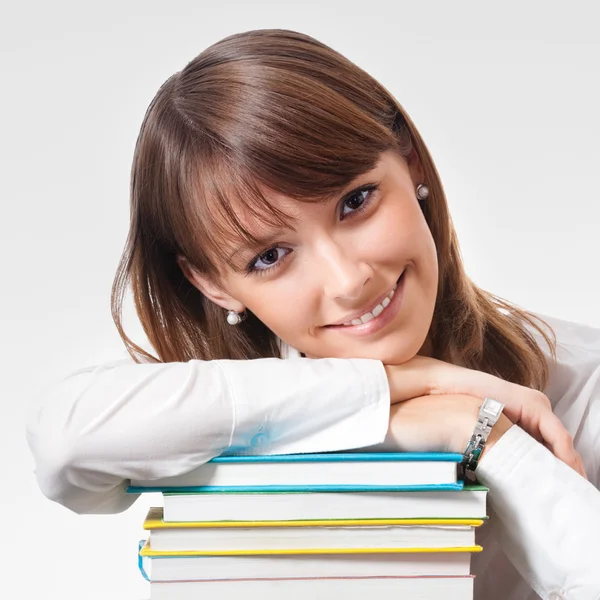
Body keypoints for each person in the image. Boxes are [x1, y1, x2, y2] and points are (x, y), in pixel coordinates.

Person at [26, 29, 600, 599]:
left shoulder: (585, 387)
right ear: (211, 284)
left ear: (412, 163)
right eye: (270, 256)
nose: (349, 280)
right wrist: (419, 398)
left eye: (355, 201)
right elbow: (66, 443)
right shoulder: (191, 416)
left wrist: (494, 446)